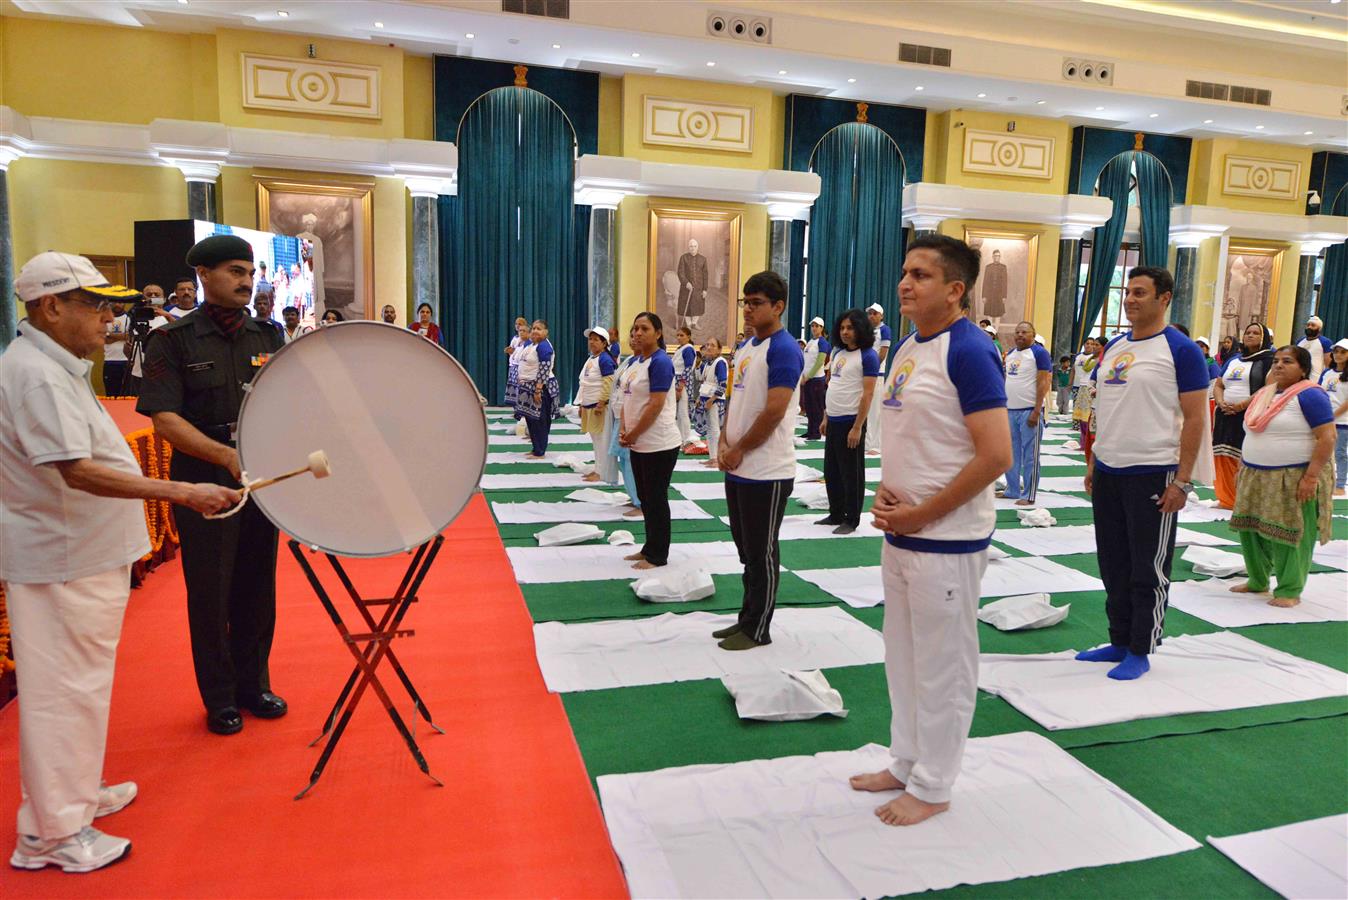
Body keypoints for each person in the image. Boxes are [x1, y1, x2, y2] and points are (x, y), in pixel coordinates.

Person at [0, 253, 239, 873]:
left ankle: (70, 800)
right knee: (62, 694)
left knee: (81, 690)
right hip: (61, 558)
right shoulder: (36, 375)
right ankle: (50, 835)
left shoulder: (55, 367)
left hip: (80, 555)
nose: (108, 318)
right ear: (50, 307)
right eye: (95, 305)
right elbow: (76, 471)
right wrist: (185, 492)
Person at [848, 235, 1010, 828]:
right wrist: (891, 493)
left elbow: (996, 455)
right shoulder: (910, 347)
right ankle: (908, 759)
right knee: (903, 657)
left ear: (955, 289)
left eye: (920, 274)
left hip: (947, 539)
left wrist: (922, 512)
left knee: (944, 665)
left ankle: (936, 784)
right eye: (904, 272)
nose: (904, 283)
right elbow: (916, 436)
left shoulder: (969, 350)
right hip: (903, 532)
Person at [135, 234, 289, 736]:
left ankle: (253, 685)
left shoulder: (268, 337)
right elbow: (164, 420)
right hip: (202, 477)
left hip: (258, 477)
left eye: (249, 272)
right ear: (204, 276)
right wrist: (225, 455)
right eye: (234, 271)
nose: (246, 281)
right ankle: (220, 698)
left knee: (255, 585)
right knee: (210, 591)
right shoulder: (173, 340)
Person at [1078, 266, 1208, 681]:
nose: (1130, 299)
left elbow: (1194, 419)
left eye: (1140, 292)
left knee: (1146, 566)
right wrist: (1094, 460)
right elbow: (1105, 409)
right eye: (1128, 292)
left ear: (1164, 298)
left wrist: (1183, 481)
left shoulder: (1180, 350)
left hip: (1153, 471)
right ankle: (1118, 638)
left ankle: (1140, 647)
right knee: (1113, 561)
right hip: (1110, 469)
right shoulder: (1114, 347)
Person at [716, 271, 804, 651]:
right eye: (745, 302)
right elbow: (736, 399)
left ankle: (758, 628)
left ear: (778, 306)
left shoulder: (784, 349)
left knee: (761, 550)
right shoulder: (748, 347)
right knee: (745, 549)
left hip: (766, 469)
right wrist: (723, 437)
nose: (748, 309)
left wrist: (740, 448)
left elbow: (773, 412)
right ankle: (745, 617)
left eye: (756, 303)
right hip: (739, 464)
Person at [1228, 344, 1336, 608]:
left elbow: (1327, 437)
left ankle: (1289, 589)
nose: (1278, 365)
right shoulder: (1264, 394)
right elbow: (1253, 432)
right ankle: (1257, 580)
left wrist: (1310, 478)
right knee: (1251, 529)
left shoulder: (1311, 395)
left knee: (1292, 532)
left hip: (1293, 476)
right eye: (1276, 360)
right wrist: (1244, 464)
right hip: (1255, 473)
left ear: (1303, 369)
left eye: (1287, 361)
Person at [618, 312, 681, 567]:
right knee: (646, 498)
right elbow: (627, 399)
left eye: (644, 328)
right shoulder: (635, 363)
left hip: (659, 443)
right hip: (638, 442)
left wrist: (633, 433)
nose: (638, 333)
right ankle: (648, 547)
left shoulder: (660, 363)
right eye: (635, 329)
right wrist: (624, 429)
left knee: (656, 498)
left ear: (658, 333)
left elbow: (655, 405)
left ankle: (658, 554)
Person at [819, 308, 878, 533]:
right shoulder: (837, 353)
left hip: (851, 422)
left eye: (850, 328)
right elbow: (832, 386)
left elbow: (868, 394)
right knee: (831, 470)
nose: (845, 332)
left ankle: (851, 519)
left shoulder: (868, 356)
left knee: (851, 473)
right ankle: (835, 513)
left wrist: (857, 427)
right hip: (833, 420)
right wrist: (825, 416)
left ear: (860, 329)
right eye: (842, 328)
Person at [1213, 322, 1275, 508]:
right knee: (1221, 454)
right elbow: (1218, 384)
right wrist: (1220, 402)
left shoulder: (1268, 360)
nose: (1250, 335)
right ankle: (1226, 498)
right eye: (1248, 332)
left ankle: (1242, 499)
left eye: (1256, 333)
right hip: (1224, 413)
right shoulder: (1233, 360)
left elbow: (1268, 388)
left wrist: (1241, 406)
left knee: (1242, 456)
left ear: (1264, 338)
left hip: (1250, 415)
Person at [999, 321, 1052, 506]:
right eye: (1017, 332)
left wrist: (1037, 411)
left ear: (1033, 334)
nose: (1020, 335)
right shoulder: (1011, 354)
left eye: (1024, 332)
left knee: (1030, 455)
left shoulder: (1039, 353)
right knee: (1011, 453)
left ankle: (1029, 493)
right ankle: (1013, 489)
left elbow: (1043, 383)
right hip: (1010, 410)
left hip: (1030, 411)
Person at [607, 330, 642, 512]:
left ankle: (641, 502)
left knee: (632, 461)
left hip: (633, 419)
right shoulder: (630, 361)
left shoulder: (650, 363)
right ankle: (633, 495)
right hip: (620, 415)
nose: (635, 337)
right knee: (623, 459)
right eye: (632, 334)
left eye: (642, 332)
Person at [514, 319, 559, 459]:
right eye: (533, 328)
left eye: (539, 329)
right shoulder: (532, 345)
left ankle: (540, 451)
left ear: (546, 332)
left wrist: (538, 389)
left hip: (540, 388)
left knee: (540, 420)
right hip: (529, 387)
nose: (534, 331)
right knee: (531, 420)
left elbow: (544, 369)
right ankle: (535, 448)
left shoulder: (544, 346)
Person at [577, 326, 617, 483]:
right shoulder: (592, 358)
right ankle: (598, 468)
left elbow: (609, 383)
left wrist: (601, 403)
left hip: (599, 406)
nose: (592, 342)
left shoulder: (605, 359)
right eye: (590, 339)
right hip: (589, 404)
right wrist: (581, 404)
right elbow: (585, 383)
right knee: (596, 439)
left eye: (596, 339)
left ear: (604, 343)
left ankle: (602, 472)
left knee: (601, 440)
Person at [691, 337, 729, 468]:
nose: (709, 347)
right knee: (709, 429)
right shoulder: (707, 363)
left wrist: (712, 399)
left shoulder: (720, 362)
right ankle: (712, 457)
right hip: (705, 397)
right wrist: (699, 399)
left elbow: (723, 384)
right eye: (707, 345)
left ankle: (718, 458)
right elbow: (702, 380)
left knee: (714, 429)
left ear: (719, 349)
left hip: (714, 400)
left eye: (713, 345)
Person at [1319, 339, 1348, 496]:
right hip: (1323, 420)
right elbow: (1319, 392)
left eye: (1343, 352)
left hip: (1342, 422)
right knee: (1321, 451)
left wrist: (1333, 415)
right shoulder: (1327, 373)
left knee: (1339, 453)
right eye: (1336, 351)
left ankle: (1341, 484)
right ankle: (1323, 481)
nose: (1338, 355)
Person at [864, 303, 893, 455]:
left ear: (881, 315)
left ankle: (876, 444)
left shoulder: (885, 330)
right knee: (866, 409)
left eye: (875, 313)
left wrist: (873, 369)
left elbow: (883, 352)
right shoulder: (867, 331)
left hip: (876, 374)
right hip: (865, 375)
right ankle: (867, 442)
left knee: (875, 410)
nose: (871, 316)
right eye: (870, 313)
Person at [800, 316, 832, 441]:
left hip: (816, 379)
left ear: (821, 328)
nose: (814, 328)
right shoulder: (810, 342)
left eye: (816, 326)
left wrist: (809, 376)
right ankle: (810, 430)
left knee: (816, 407)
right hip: (807, 379)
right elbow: (806, 361)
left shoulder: (822, 342)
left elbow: (819, 362)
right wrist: (803, 375)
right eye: (812, 326)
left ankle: (816, 432)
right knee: (808, 406)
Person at [672, 326, 697, 450]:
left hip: (682, 383)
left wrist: (680, 386)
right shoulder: (680, 349)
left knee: (683, 412)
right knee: (677, 413)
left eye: (682, 335)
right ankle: (679, 438)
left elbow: (688, 369)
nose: (679, 338)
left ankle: (686, 438)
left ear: (689, 336)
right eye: (678, 335)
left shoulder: (688, 349)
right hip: (676, 381)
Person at [676, 239, 709, 331]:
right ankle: (688, 324)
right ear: (688, 247)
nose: (693, 248)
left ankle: (694, 323)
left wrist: (705, 289)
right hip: (686, 288)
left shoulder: (703, 259)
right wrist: (686, 283)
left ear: (697, 247)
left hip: (699, 288)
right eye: (691, 246)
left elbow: (705, 275)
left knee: (698, 305)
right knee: (686, 305)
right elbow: (680, 272)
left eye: (694, 246)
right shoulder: (683, 257)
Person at [1297, 315, 1333, 381]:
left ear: (1319, 329)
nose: (1309, 327)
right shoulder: (1300, 341)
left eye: (1313, 325)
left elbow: (1328, 364)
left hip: (1316, 378)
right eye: (1308, 325)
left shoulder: (1325, 342)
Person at [504, 317, 530, 409]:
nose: (518, 326)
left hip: (521, 367)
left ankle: (522, 409)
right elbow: (513, 350)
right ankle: (516, 409)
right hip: (513, 365)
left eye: (520, 324)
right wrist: (509, 350)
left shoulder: (528, 341)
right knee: (514, 389)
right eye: (516, 324)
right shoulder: (515, 338)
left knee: (521, 389)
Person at [980, 249, 1008, 321]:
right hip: (989, 295)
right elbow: (985, 282)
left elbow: (1005, 283)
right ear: (993, 256)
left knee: (998, 314)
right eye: (995, 256)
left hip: (999, 295)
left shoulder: (1003, 267)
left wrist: (1004, 296)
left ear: (1000, 257)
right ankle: (990, 331)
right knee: (989, 313)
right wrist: (984, 296)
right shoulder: (988, 267)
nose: (997, 257)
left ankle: (996, 331)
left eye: (998, 256)